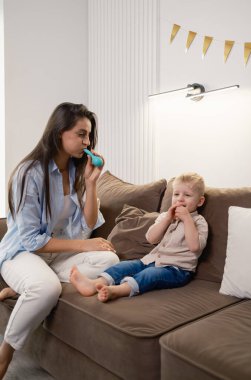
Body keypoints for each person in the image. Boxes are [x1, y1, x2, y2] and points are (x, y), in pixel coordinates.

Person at [0, 102, 119, 379]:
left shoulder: (78, 172)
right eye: (80, 134)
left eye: (89, 135)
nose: (87, 142)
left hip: (55, 255)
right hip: (21, 254)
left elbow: (88, 224)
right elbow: (31, 240)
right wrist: (85, 245)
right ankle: (6, 352)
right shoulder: (29, 173)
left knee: (109, 259)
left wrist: (91, 183)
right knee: (47, 287)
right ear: (59, 132)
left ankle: (26, 289)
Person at [70, 172, 208, 302]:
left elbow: (195, 247)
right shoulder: (166, 217)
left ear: (200, 201)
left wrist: (186, 219)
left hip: (178, 270)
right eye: (176, 194)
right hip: (151, 260)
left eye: (187, 195)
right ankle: (95, 283)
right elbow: (151, 238)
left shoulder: (199, 222)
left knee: (150, 275)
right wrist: (167, 219)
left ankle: (118, 290)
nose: (180, 199)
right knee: (125, 266)